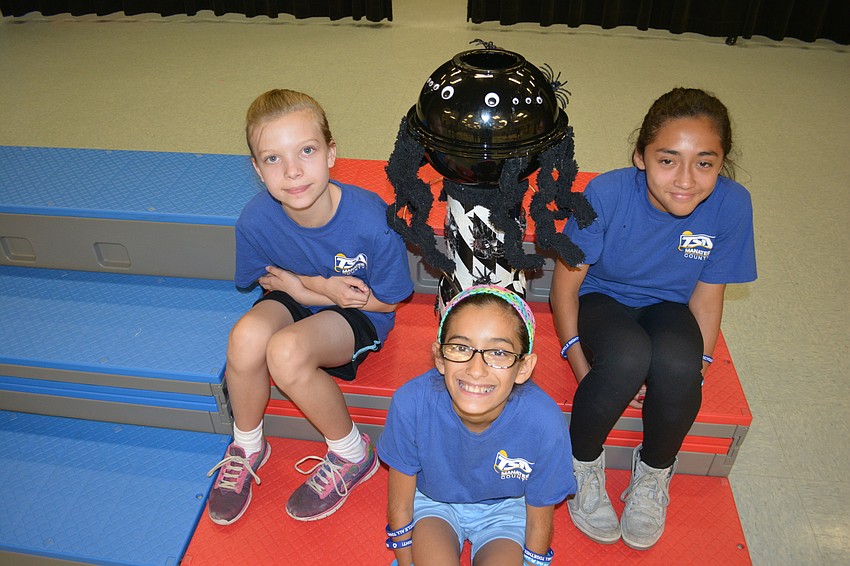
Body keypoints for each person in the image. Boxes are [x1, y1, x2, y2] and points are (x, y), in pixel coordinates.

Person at [550, 87, 757, 550]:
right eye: (668, 160)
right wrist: (578, 361)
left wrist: (695, 370)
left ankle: (653, 475)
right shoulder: (605, 193)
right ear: (641, 157)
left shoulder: (732, 204)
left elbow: (706, 298)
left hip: (668, 305)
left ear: (721, 163)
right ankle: (582, 464)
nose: (686, 179)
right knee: (627, 357)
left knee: (681, 365)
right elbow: (566, 286)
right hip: (604, 296)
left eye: (704, 162)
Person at [206, 89, 414, 525]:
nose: (293, 171)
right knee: (245, 338)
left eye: (306, 150)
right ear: (257, 170)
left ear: (331, 153)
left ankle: (352, 453)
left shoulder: (373, 222)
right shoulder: (255, 219)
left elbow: (390, 301)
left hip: (361, 310)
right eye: (273, 159)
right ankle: (247, 445)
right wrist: (308, 290)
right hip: (300, 293)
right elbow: (264, 278)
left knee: (285, 352)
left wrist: (313, 292)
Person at [377, 285, 575, 566]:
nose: (476, 369)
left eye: (498, 352)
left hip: (506, 509)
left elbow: (539, 523)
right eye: (460, 347)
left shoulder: (544, 423)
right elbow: (400, 505)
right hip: (435, 502)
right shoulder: (412, 404)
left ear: (524, 367)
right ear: (439, 357)